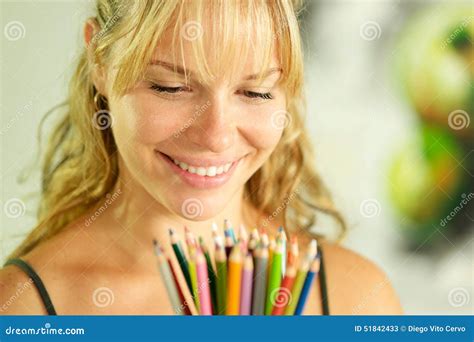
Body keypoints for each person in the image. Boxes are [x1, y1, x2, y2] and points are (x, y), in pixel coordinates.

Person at [0, 0, 402, 315]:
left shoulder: (357, 296)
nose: (216, 136)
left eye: (256, 92)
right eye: (171, 87)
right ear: (100, 63)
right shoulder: (22, 309)